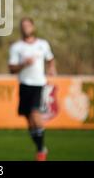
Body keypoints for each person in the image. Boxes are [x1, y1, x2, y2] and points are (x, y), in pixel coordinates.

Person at [8, 17, 57, 161]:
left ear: (33, 27)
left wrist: (52, 68)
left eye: (28, 25)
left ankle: (41, 151)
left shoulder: (43, 44)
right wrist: (23, 64)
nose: (26, 28)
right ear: (21, 29)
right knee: (29, 121)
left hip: (39, 84)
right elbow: (11, 69)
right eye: (23, 25)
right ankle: (40, 146)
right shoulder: (17, 47)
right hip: (24, 85)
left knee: (36, 114)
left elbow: (50, 58)